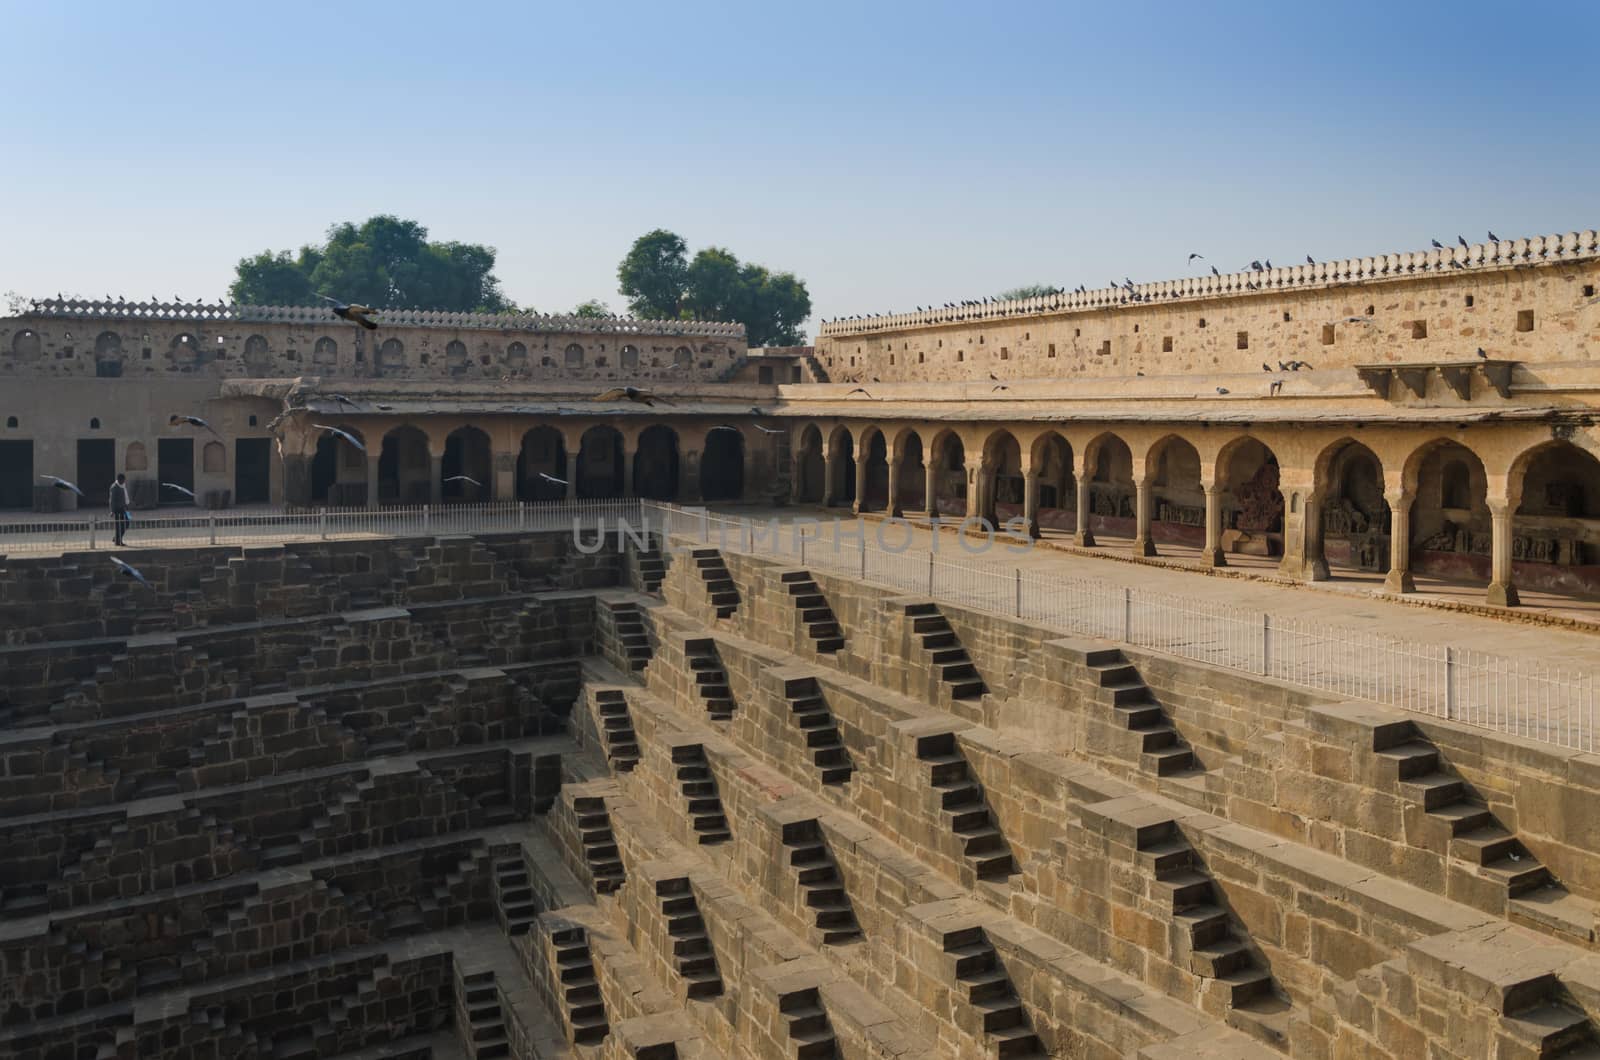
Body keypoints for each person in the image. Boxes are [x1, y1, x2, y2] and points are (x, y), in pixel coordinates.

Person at [109, 473, 130, 546]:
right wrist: (112, 511)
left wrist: (127, 505)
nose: (124, 481)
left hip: (124, 508)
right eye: (123, 480)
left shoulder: (123, 485)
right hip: (118, 509)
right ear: (119, 480)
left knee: (127, 522)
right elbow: (112, 500)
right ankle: (118, 541)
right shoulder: (114, 487)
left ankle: (116, 538)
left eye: (124, 480)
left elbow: (125, 496)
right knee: (119, 526)